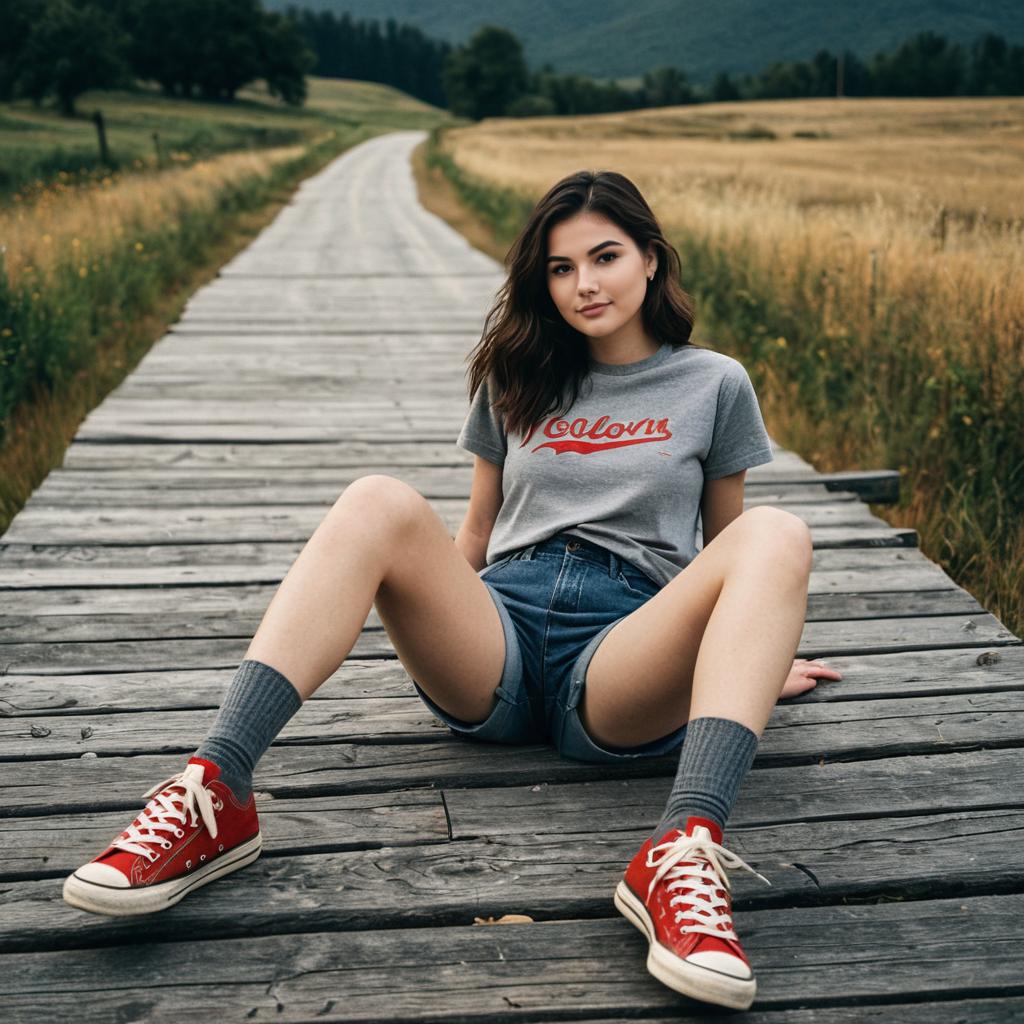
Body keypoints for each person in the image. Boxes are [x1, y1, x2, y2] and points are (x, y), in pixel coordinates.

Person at [63, 168, 841, 1011]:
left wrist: (758, 666)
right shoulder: (517, 374)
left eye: (606, 256)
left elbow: (728, 550)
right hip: (497, 641)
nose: (585, 283)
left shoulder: (715, 383)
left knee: (780, 531)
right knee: (377, 500)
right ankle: (216, 790)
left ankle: (680, 848)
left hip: (624, 655)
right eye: (559, 266)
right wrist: (438, 609)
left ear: (651, 260)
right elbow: (473, 535)